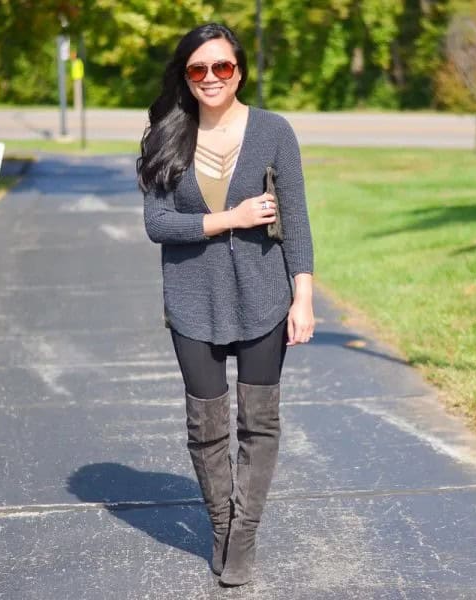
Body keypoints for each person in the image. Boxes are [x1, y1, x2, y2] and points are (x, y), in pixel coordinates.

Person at [136, 22, 314, 587]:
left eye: (223, 67)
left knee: (258, 424)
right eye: (198, 69)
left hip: (263, 296)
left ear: (238, 70)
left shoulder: (273, 132)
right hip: (192, 299)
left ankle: (244, 537)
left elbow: (298, 222)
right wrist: (231, 219)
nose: (211, 78)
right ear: (185, 77)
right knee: (206, 425)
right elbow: (158, 223)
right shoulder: (165, 136)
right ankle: (221, 526)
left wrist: (302, 297)